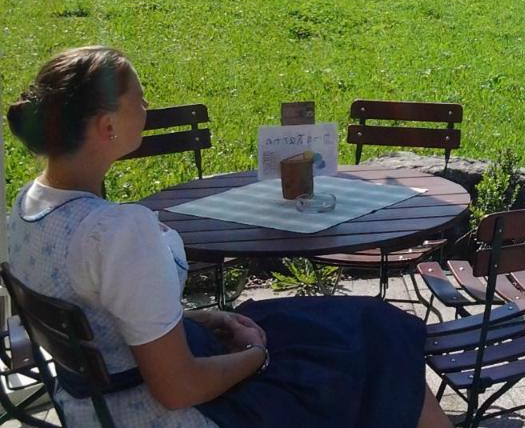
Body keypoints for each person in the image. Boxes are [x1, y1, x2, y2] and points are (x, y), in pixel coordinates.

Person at [5, 46, 452, 428]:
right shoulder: (115, 233)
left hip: (96, 405)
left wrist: (199, 319)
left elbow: (105, 318)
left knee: (351, 322)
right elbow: (178, 388)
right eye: (140, 101)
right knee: (373, 343)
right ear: (107, 127)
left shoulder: (26, 209)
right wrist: (257, 356)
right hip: (172, 414)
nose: (147, 109)